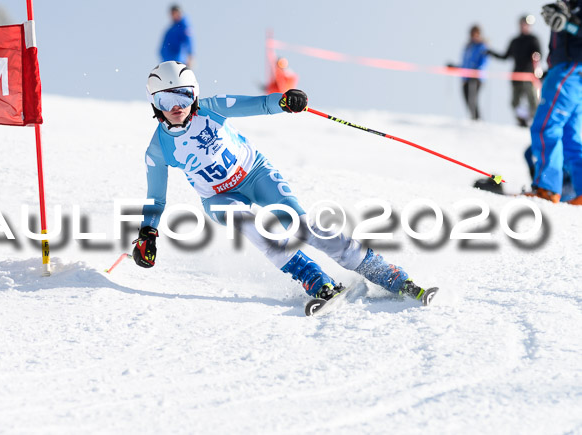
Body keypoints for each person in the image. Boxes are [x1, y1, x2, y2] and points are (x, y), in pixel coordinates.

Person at [132, 60, 438, 306]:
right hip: (218, 197)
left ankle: (385, 273)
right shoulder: (157, 149)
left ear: (194, 94)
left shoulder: (213, 107)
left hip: (255, 174)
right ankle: (316, 280)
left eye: (183, 95)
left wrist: (285, 101)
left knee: (302, 226)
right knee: (254, 228)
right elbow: (156, 200)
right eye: (166, 98)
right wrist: (148, 231)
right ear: (155, 103)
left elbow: (259, 104)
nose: (177, 105)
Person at [527, 0, 582, 204]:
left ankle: (546, 188)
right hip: (567, 68)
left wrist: (568, 24)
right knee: (571, 136)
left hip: (571, 68)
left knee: (546, 126)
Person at [488, 16, 542, 127]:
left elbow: (539, 54)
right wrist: (491, 53)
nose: (524, 26)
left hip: (528, 76)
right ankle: (522, 121)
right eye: (523, 23)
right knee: (514, 102)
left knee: (532, 101)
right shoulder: (515, 41)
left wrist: (536, 61)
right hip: (516, 76)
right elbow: (505, 56)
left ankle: (536, 121)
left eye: (527, 24)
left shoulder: (533, 39)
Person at [460, 25, 489, 121]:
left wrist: (477, 70)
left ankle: (477, 119)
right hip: (466, 77)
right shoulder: (468, 47)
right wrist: (457, 67)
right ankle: (473, 117)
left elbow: (484, 62)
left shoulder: (482, 47)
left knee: (473, 98)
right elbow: (465, 62)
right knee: (467, 99)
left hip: (477, 77)